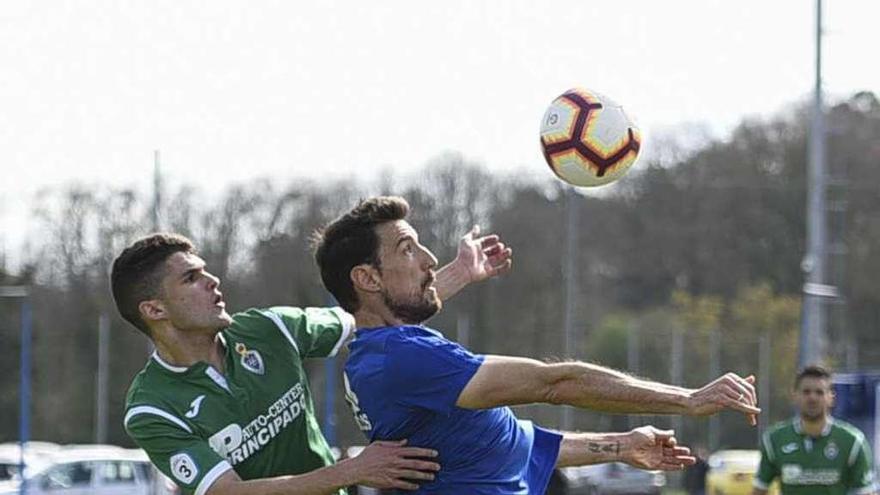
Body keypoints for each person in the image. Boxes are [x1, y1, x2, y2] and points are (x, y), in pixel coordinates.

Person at [312, 196, 761, 494]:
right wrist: (688, 399)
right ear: (367, 278)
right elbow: (555, 383)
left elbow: (516, 444)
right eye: (409, 249)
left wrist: (622, 445)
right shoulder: (405, 358)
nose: (429, 259)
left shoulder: (386, 354)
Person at [112, 230, 512, 495]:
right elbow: (229, 492)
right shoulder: (152, 407)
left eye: (205, 271)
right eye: (191, 278)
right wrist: (351, 471)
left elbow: (373, 315)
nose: (213, 281)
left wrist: (459, 272)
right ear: (154, 309)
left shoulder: (268, 329)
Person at [752, 365, 877, 495]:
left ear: (831, 398)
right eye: (806, 392)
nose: (812, 398)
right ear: (794, 395)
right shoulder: (774, 439)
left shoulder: (852, 441)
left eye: (819, 392)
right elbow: (759, 490)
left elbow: (866, 492)